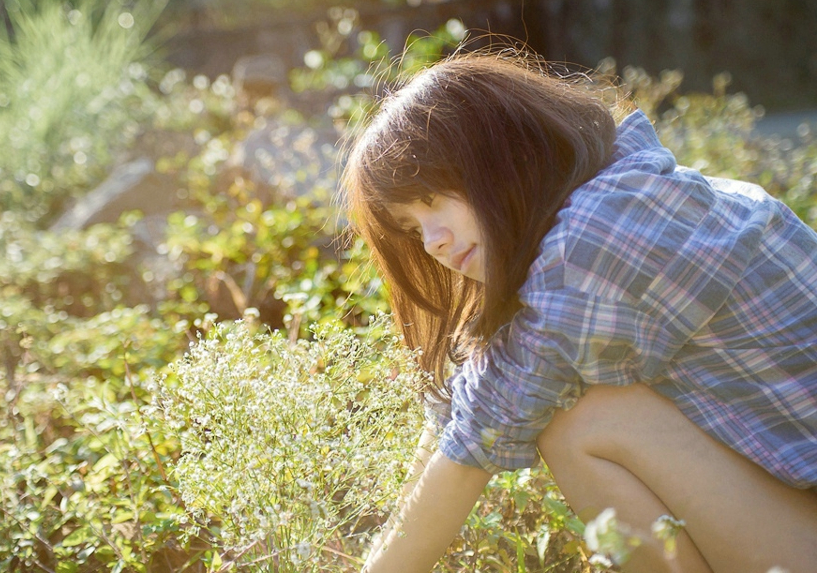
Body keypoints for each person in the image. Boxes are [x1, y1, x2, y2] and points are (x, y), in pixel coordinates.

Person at [340, 51, 817, 573]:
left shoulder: (599, 233)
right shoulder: (601, 199)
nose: (432, 242)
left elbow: (477, 440)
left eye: (433, 199)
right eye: (412, 227)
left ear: (502, 153)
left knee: (579, 422)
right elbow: (461, 412)